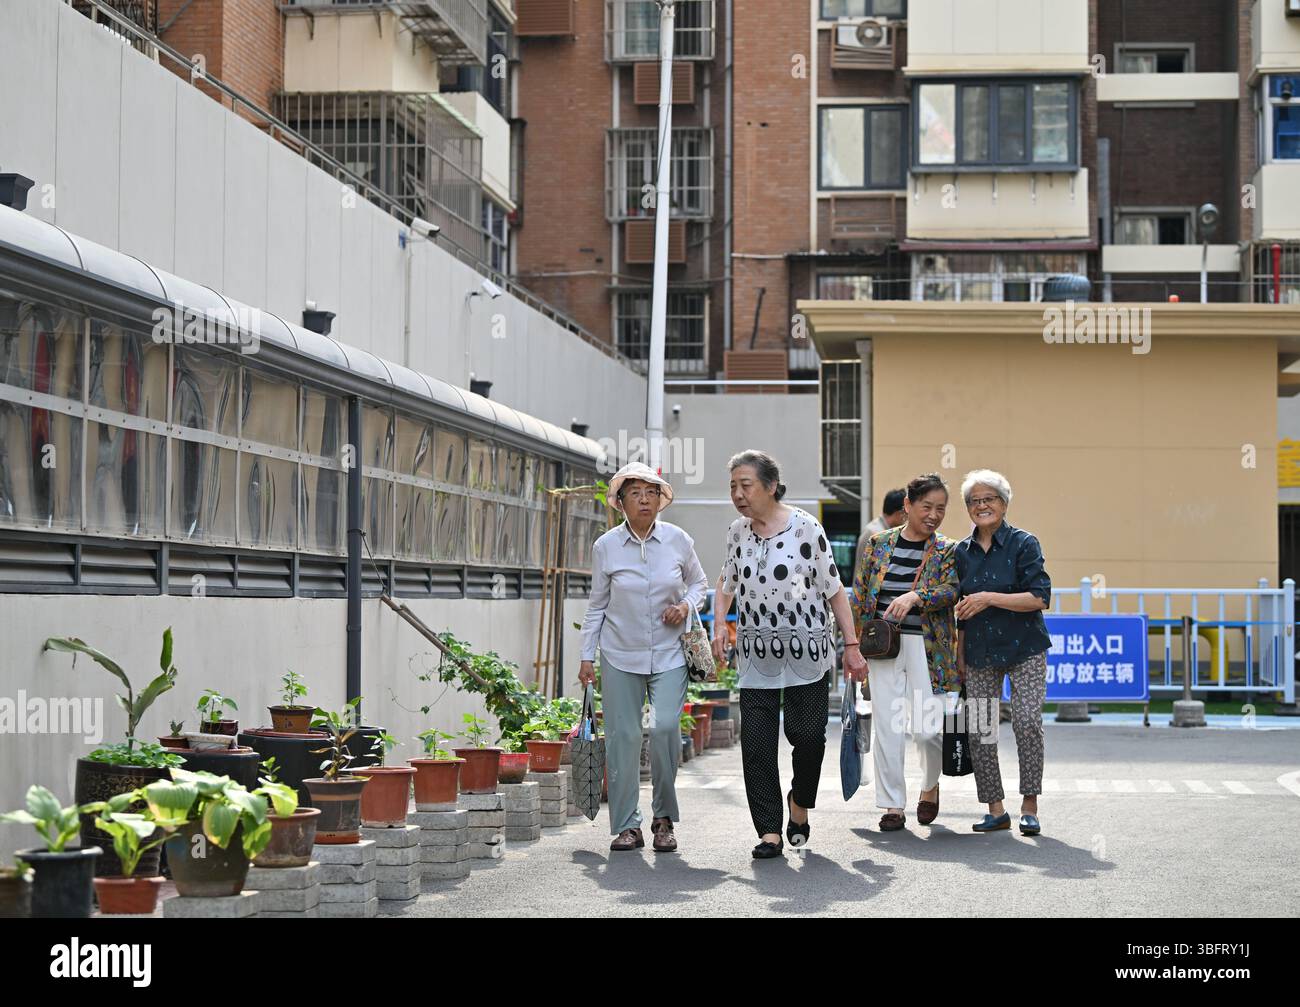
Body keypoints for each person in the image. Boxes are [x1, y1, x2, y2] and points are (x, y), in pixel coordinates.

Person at [710, 450, 867, 859]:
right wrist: (718, 628)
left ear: (771, 486)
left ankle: (799, 803)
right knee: (757, 745)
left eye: (745, 485)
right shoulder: (737, 532)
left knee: (809, 737)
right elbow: (726, 581)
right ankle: (769, 832)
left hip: (808, 651)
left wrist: (851, 646)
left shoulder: (806, 529)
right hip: (756, 653)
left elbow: (834, 588)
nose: (738, 494)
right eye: (733, 486)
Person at [579, 461, 708, 853]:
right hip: (619, 653)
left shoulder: (678, 540)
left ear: (660, 499)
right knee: (624, 738)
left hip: (670, 653)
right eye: (635, 493)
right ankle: (626, 825)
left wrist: (685, 606)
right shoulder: (606, 547)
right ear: (621, 502)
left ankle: (664, 819)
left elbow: (700, 583)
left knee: (666, 727)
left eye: (651, 492)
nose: (644, 499)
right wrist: (587, 656)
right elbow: (597, 605)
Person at [849, 473, 960, 831]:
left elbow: (951, 591)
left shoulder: (947, 549)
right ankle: (892, 805)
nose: (933, 515)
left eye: (940, 509)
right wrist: (856, 647)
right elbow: (860, 593)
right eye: (926, 506)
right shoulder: (878, 543)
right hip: (882, 645)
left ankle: (929, 786)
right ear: (908, 506)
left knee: (929, 729)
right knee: (888, 725)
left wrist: (917, 597)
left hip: (927, 647)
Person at [953, 469, 1052, 837]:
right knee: (980, 730)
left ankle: (1030, 804)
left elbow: (1039, 597)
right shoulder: (960, 553)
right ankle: (995, 809)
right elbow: (962, 611)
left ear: (1004, 504)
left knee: (1027, 722)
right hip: (979, 650)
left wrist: (988, 598)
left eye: (989, 499)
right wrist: (960, 654)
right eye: (974, 501)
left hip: (1025, 647)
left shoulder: (1024, 544)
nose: (982, 506)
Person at [855, 487, 906, 576]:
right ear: (899, 513)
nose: (906, 519)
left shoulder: (881, 530)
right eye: (906, 513)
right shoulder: (876, 533)